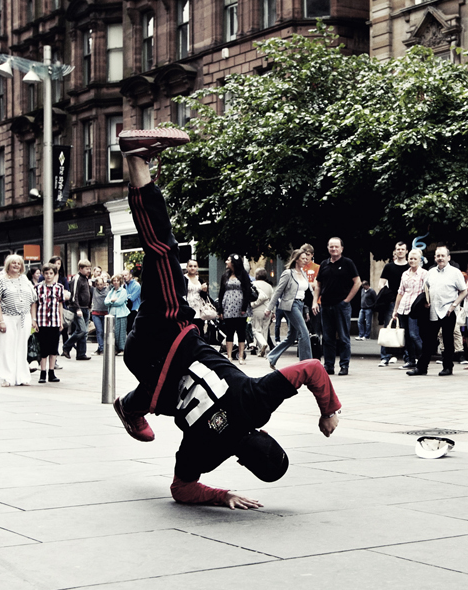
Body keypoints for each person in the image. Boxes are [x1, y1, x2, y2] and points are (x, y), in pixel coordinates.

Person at [109, 129, 342, 507]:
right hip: (146, 361)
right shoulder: (207, 450)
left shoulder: (257, 401)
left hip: (169, 334)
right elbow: (181, 490)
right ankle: (134, 405)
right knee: (157, 265)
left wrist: (328, 411)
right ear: (244, 464)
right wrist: (222, 495)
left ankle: (136, 158)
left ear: (266, 436)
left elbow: (313, 368)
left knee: (163, 249)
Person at [311, 236, 360, 377]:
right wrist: (315, 301)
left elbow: (357, 282)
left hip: (341, 305)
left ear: (341, 248)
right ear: (328, 248)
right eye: (331, 246)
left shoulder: (347, 263)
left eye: (336, 246)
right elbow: (318, 285)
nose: (333, 249)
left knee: (344, 337)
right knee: (327, 338)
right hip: (326, 305)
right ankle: (329, 366)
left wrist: (347, 300)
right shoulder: (324, 264)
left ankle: (344, 365)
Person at [0, 254, 38, 387]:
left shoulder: (25, 280)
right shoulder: (1, 280)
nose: (16, 265)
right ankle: (6, 377)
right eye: (13, 263)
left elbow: (33, 300)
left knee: (21, 347)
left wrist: (33, 319)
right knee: (6, 347)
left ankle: (21, 376)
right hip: (7, 317)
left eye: (19, 263)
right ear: (8, 265)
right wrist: (1, 320)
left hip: (24, 317)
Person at [413, 244, 463, 377]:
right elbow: (426, 289)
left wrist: (454, 305)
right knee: (429, 341)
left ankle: (448, 367)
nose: (440, 258)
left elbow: (463, 291)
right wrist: (426, 301)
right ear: (435, 258)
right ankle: (421, 368)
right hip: (433, 311)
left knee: (447, 340)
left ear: (448, 257)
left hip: (448, 311)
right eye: (438, 256)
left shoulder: (455, 272)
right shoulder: (430, 272)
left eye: (443, 256)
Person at [391, 247, 428, 371]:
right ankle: (410, 360)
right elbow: (400, 292)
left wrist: (427, 302)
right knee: (406, 336)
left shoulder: (424, 273)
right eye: (410, 258)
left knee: (414, 334)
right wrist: (395, 309)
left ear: (419, 260)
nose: (412, 261)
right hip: (403, 307)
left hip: (415, 307)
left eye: (414, 258)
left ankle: (424, 358)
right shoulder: (405, 274)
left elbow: (427, 290)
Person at [376, 241, 410, 366]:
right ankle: (385, 357)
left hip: (407, 302)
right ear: (395, 251)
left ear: (406, 251)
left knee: (407, 329)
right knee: (388, 327)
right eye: (398, 249)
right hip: (391, 302)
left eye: (402, 249)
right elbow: (381, 284)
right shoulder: (389, 267)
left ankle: (408, 357)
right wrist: (389, 295)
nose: (400, 251)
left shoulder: (410, 267)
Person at [34, 262, 65, 383]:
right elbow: (35, 304)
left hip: (54, 321)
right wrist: (34, 320)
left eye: (51, 273)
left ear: (55, 274)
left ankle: (51, 372)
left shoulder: (59, 288)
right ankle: (42, 372)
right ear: (43, 274)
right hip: (42, 321)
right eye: (46, 273)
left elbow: (60, 304)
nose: (48, 276)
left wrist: (61, 321)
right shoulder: (37, 288)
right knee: (43, 348)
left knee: (53, 347)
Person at [218, 255, 253, 364]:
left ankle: (241, 356)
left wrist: (244, 307)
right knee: (229, 331)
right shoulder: (225, 276)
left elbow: (247, 290)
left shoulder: (243, 275)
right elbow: (221, 292)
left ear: (233, 262)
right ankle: (229, 356)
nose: (226, 261)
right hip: (228, 306)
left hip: (240, 306)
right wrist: (220, 310)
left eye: (228, 260)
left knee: (241, 331)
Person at [63, 259, 94, 359]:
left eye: (89, 268)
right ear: (80, 269)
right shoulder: (77, 279)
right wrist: (77, 308)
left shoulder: (86, 279)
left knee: (84, 333)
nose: (89, 271)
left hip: (85, 308)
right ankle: (66, 346)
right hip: (78, 308)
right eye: (86, 269)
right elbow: (74, 295)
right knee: (82, 330)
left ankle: (81, 353)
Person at [249, 268, 275, 359]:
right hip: (268, 309)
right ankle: (262, 351)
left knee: (256, 330)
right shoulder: (269, 286)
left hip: (256, 309)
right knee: (265, 330)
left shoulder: (253, 284)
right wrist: (273, 311)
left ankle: (263, 344)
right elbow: (273, 299)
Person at [105, 275, 131, 355]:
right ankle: (115, 349)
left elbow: (120, 302)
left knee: (121, 332)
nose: (115, 282)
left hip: (121, 314)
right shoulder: (111, 291)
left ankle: (122, 349)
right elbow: (105, 302)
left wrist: (110, 302)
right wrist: (112, 300)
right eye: (114, 281)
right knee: (114, 332)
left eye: (117, 281)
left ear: (120, 282)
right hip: (112, 315)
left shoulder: (123, 291)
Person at [90, 268, 109, 355]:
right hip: (96, 313)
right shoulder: (94, 290)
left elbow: (114, 281)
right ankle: (101, 348)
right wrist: (97, 279)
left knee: (105, 332)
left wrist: (105, 280)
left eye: (101, 284)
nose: (100, 286)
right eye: (98, 284)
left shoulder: (108, 289)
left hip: (105, 313)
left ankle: (102, 347)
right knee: (99, 331)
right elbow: (89, 281)